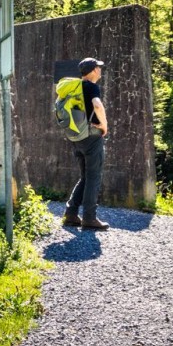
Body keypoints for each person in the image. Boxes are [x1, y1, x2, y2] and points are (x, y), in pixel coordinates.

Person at [64, 57, 111, 231]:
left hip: (77, 138)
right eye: (98, 68)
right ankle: (89, 218)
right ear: (92, 71)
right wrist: (105, 125)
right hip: (92, 137)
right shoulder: (91, 86)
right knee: (93, 177)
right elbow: (97, 105)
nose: (100, 71)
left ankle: (71, 213)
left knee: (85, 177)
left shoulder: (73, 89)